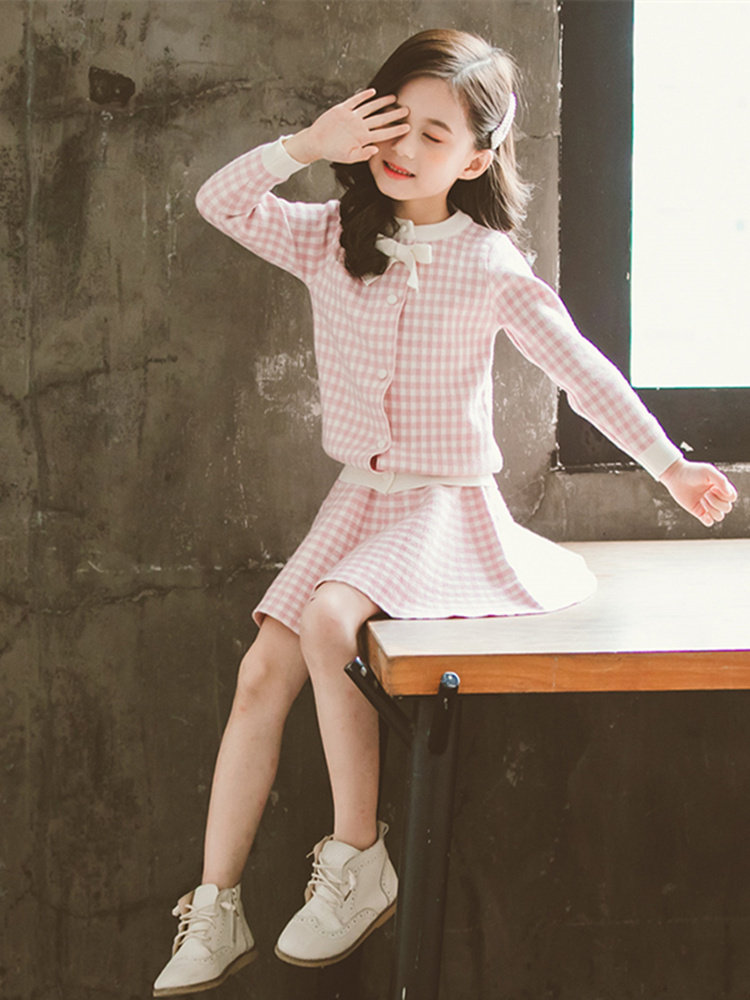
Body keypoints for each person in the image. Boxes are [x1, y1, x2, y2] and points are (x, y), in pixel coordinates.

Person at [152, 27, 737, 997]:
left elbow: (582, 369)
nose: (405, 147)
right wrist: (307, 145)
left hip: (443, 506)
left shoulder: (488, 263)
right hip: (358, 499)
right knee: (262, 670)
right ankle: (215, 905)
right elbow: (222, 201)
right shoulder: (328, 237)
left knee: (332, 620)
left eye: (435, 133)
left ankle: (358, 859)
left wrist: (668, 466)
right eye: (395, 120)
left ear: (475, 159)